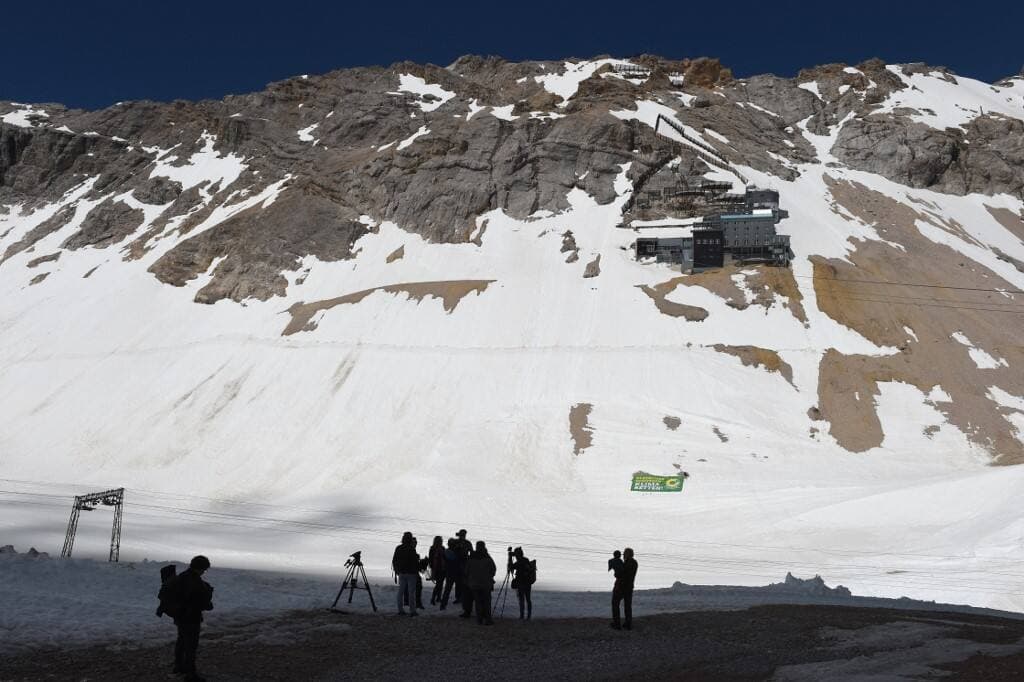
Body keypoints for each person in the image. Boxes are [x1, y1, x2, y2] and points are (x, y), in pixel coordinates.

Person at [172, 555, 214, 682]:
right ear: (200, 568)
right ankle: (191, 675)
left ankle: (178, 667)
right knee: (191, 646)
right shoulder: (195, 581)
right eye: (204, 569)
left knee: (181, 641)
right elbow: (200, 603)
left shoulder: (182, 576)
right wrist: (208, 604)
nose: (204, 572)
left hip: (180, 616)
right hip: (191, 618)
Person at [466, 540, 496, 625]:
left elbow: (466, 570)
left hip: (474, 584)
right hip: (486, 584)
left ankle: (479, 619)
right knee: (487, 602)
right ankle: (488, 619)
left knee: (478, 602)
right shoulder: (487, 557)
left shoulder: (471, 558)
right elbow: (493, 570)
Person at [392, 531, 420, 616]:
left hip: (401, 573)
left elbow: (394, 560)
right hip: (411, 573)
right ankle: (412, 611)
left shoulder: (398, 548)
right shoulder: (411, 549)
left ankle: (400, 610)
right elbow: (415, 562)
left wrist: (397, 570)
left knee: (401, 592)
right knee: (411, 593)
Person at [611, 547, 638, 631]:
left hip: (621, 587)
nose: (623, 554)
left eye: (625, 553)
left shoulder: (627, 563)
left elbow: (621, 574)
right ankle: (628, 624)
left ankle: (617, 624)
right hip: (629, 587)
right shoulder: (634, 562)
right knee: (627, 606)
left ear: (628, 554)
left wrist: (616, 573)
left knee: (615, 604)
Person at [508, 546, 535, 620]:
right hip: (526, 583)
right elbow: (512, 567)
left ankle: (522, 615)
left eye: (516, 554)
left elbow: (511, 567)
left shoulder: (520, 561)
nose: (515, 555)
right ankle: (527, 616)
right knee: (527, 599)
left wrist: (510, 558)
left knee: (522, 599)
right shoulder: (525, 560)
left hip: (522, 583)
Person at [440, 537, 461, 610]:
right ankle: (443, 605)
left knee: (447, 589)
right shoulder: (451, 552)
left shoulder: (446, 551)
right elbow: (455, 559)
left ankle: (443, 605)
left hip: (450, 572)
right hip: (454, 572)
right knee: (449, 589)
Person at [453, 529, 471, 604]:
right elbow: (451, 550)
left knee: (464, 582)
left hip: (464, 564)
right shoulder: (456, 542)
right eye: (462, 535)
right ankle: (458, 597)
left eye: (464, 535)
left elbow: (471, 552)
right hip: (457, 564)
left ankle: (463, 597)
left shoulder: (467, 543)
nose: (463, 536)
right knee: (458, 582)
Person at [429, 536, 446, 606]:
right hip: (437, 569)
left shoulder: (440, 548)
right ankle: (433, 598)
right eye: (440, 540)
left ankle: (438, 597)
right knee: (439, 584)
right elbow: (431, 559)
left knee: (440, 584)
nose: (441, 542)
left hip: (442, 568)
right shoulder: (433, 549)